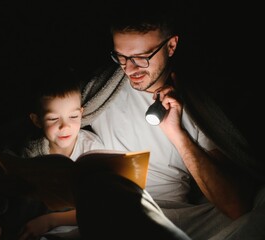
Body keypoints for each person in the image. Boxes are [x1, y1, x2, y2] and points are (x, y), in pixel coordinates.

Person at [79, 3, 265, 240]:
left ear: (171, 45)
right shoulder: (102, 92)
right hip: (114, 205)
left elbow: (236, 205)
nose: (130, 68)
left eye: (142, 57)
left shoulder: (194, 104)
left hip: (173, 216)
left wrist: (177, 134)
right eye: (122, 57)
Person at [0, 66, 104, 240]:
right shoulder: (29, 153)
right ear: (37, 120)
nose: (65, 126)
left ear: (81, 113)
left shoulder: (92, 148)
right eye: (53, 119)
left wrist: (50, 221)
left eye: (73, 117)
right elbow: (4, 203)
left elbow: (100, 205)